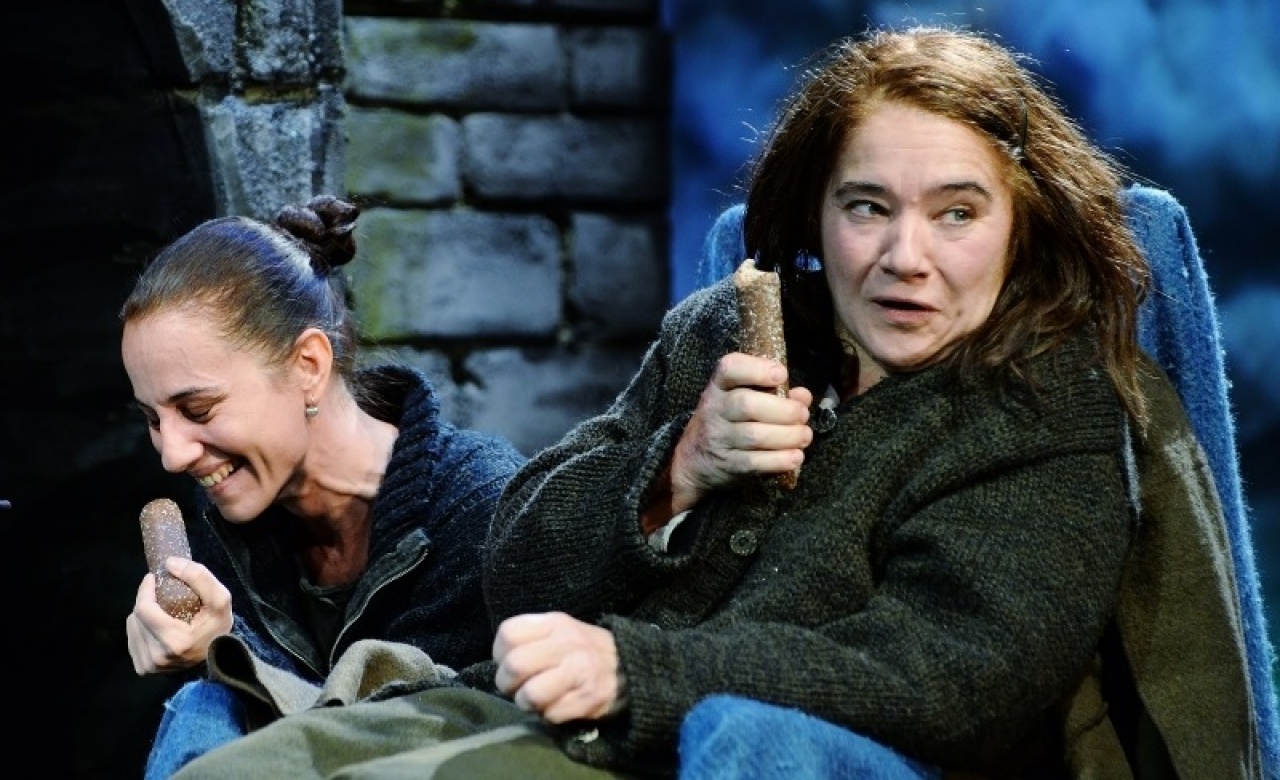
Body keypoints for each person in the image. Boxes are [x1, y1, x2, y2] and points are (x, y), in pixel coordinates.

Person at [166, 24, 1231, 779]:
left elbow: (953, 676)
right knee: (229, 761)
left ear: (1020, 224)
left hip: (780, 750)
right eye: (867, 207)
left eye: (956, 214)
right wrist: (677, 469)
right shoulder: (727, 328)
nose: (906, 257)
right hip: (586, 728)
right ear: (815, 216)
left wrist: (637, 668)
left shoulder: (1045, 399)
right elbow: (519, 565)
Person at [120, 195, 527, 778]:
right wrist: (190, 651)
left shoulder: (483, 508)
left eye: (198, 409)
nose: (172, 454)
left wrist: (232, 651)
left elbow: (424, 735)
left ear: (309, 365)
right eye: (153, 419)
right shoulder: (219, 529)